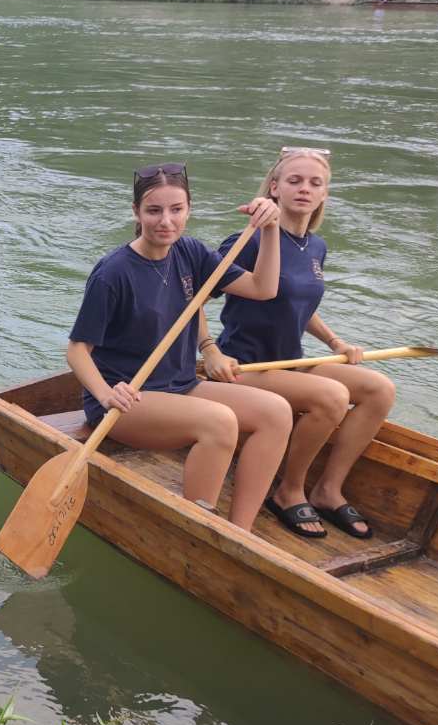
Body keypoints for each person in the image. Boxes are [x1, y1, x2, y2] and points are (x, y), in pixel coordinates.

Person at [66, 164, 291, 534]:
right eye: (154, 210)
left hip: (180, 384)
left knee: (276, 412)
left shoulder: (190, 252)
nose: (166, 221)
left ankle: (240, 534)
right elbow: (77, 350)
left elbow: (263, 288)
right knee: (220, 422)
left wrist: (270, 229)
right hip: (128, 398)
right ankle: (198, 532)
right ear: (136, 212)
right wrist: (106, 394)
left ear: (189, 210)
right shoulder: (112, 273)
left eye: (176, 209)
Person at [200, 148, 395, 541]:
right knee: (331, 397)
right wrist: (210, 351)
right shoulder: (247, 241)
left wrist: (336, 342)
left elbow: (299, 306)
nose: (304, 188)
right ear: (274, 188)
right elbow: (192, 298)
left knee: (379, 389)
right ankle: (289, 490)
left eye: (314, 183)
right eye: (294, 181)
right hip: (246, 366)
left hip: (289, 361)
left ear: (324, 194)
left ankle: (327, 490)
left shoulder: (316, 247)